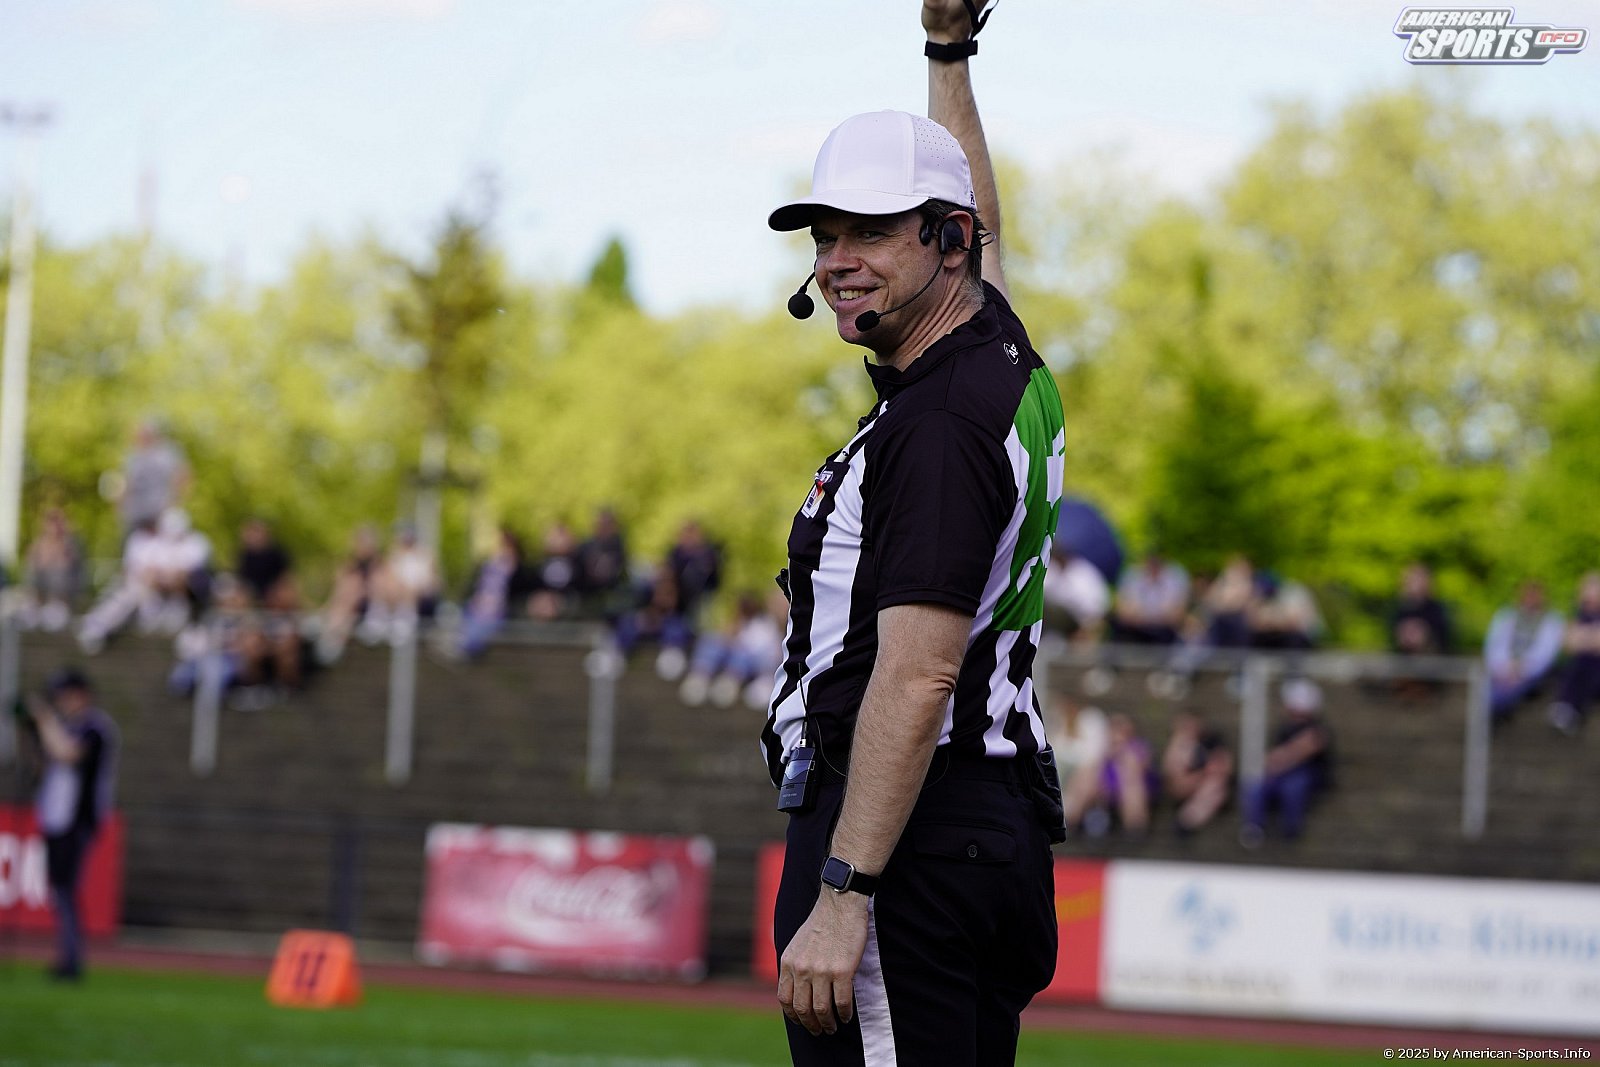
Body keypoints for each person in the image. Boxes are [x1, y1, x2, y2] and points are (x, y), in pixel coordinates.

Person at [761, 4, 1065, 1062]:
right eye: (825, 236)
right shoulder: (991, 350)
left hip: (905, 842)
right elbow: (985, 224)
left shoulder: (936, 424)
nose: (838, 261)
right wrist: (949, 52)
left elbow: (919, 671)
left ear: (946, 240)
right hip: (973, 827)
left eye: (871, 232)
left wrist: (844, 891)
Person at [21, 667, 119, 981]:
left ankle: (71, 959)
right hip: (54, 817)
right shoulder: (65, 726)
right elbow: (42, 766)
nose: (62, 701)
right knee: (59, 889)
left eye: (66, 695)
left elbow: (67, 753)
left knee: (66, 889)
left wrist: (44, 720)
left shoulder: (95, 728)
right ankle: (67, 956)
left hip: (77, 820)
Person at [1240, 677, 1333, 847]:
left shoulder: (1317, 729)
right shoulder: (1284, 729)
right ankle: (1254, 828)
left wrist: (1281, 759)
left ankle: (1291, 831)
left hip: (1306, 774)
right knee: (1255, 786)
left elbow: (1300, 751)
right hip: (1282, 773)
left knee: (1293, 787)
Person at [1484, 580, 1565, 723]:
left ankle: (1493, 715)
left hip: (1530, 675)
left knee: (1500, 696)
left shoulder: (1552, 621)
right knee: (1489, 691)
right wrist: (1504, 668)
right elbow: (1493, 646)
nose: (1530, 599)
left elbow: (1545, 655)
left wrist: (1521, 669)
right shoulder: (1506, 616)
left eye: (1534, 595)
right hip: (1501, 672)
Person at [1161, 710, 1234, 835]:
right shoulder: (1180, 743)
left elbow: (1223, 767)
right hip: (1185, 785)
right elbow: (1170, 771)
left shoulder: (1213, 740)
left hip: (1208, 784)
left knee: (1214, 785)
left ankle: (1186, 822)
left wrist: (1199, 776)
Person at [1547, 573, 1600, 737]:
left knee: (1586, 663)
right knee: (1579, 663)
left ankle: (1568, 708)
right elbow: (1569, 644)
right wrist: (1591, 638)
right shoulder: (1577, 616)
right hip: (1580, 667)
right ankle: (1567, 710)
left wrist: (1583, 637)